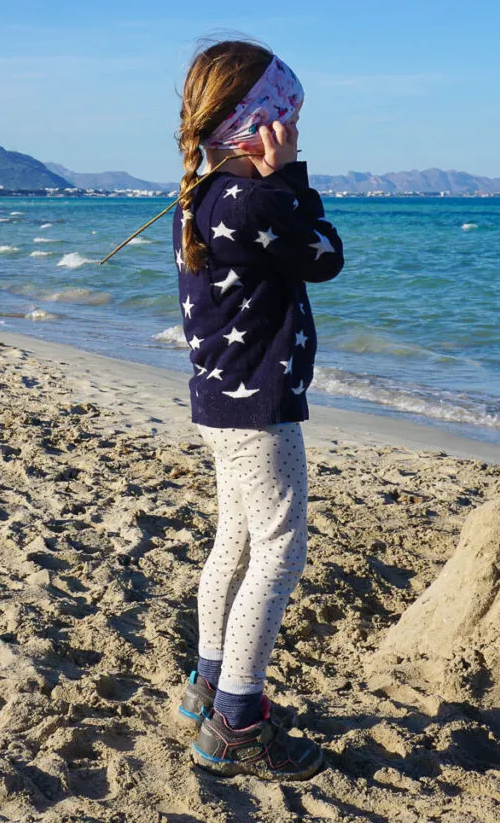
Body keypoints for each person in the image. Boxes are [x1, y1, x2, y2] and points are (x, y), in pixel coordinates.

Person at [170, 39, 344, 780]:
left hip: (220, 401)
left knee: (235, 538)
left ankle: (208, 683)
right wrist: (292, 174)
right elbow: (326, 255)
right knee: (277, 549)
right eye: (288, 118)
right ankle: (237, 718)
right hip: (258, 405)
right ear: (262, 124)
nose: (295, 131)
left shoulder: (207, 195)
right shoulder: (250, 203)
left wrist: (276, 180)